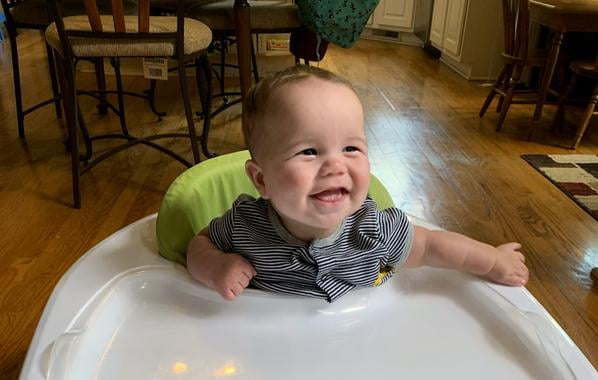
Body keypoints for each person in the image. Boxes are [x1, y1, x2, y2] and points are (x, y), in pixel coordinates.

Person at [186, 65, 528, 302]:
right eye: (308, 151)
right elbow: (198, 245)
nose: (336, 164)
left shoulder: (373, 228)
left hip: (354, 344)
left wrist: (493, 261)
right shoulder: (245, 226)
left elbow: (431, 247)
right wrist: (216, 267)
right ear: (261, 180)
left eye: (351, 148)